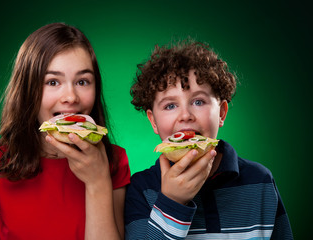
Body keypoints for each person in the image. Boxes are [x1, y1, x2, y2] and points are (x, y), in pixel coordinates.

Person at [0, 22, 130, 240]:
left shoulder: (114, 160)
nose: (71, 96)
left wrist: (98, 182)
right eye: (52, 82)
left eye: (82, 81)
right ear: (27, 90)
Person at [124, 39, 293, 239]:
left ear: (221, 113)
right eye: (170, 105)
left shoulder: (260, 181)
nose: (185, 115)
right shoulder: (141, 189)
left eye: (198, 101)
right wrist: (171, 202)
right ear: (153, 121)